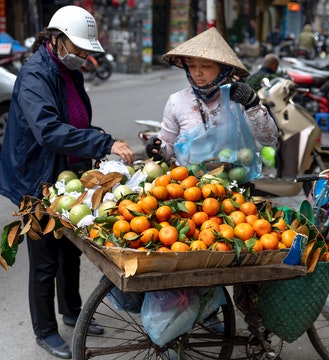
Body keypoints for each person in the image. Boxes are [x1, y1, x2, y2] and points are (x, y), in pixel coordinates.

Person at [0, 5, 134, 359]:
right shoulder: (35, 76)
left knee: (70, 250)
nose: (83, 56)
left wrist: (98, 138)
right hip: (37, 178)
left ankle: (73, 313)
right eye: (78, 49)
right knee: (44, 258)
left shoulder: (68, 71)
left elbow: (73, 120)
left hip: (66, 175)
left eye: (87, 50)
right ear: (56, 40)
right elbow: (47, 130)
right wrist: (103, 143)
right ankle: (44, 330)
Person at [146, 27, 278, 169]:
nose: (197, 73)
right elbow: (168, 147)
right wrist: (157, 149)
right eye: (191, 66)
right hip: (188, 185)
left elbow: (269, 140)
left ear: (223, 69)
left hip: (233, 184)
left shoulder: (238, 100)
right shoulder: (177, 101)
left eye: (206, 66)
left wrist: (252, 104)